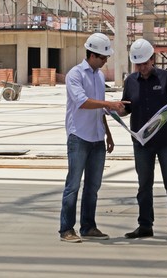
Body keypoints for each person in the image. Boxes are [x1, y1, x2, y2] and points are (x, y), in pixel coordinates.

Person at [59, 32, 127, 243]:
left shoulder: (98, 76)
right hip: (79, 136)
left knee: (93, 186)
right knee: (73, 185)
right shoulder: (75, 75)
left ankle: (88, 226)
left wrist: (108, 133)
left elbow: (99, 108)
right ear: (90, 54)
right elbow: (83, 102)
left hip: (97, 137)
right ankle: (66, 229)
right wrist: (108, 104)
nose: (105, 61)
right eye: (102, 57)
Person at [119, 38, 167, 241]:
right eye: (137, 64)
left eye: (144, 64)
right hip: (142, 142)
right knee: (144, 185)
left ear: (152, 59)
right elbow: (127, 107)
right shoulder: (130, 81)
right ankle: (145, 225)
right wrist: (116, 110)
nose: (141, 68)